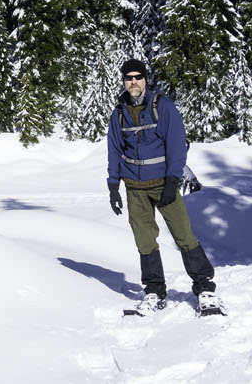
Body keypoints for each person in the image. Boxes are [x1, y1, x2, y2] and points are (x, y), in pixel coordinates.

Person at [105, 58, 223, 316]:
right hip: (135, 187)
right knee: (144, 240)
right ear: (124, 81)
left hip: (162, 184)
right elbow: (114, 149)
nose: (133, 82)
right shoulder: (119, 113)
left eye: (138, 77)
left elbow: (177, 144)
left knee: (183, 235)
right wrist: (113, 185)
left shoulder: (162, 106)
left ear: (145, 79)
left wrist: (172, 180)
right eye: (128, 78)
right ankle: (155, 292)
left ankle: (205, 288)